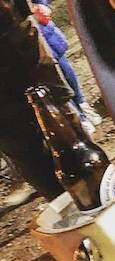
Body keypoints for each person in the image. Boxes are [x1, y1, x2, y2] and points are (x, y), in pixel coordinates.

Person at [0, 0, 72, 206]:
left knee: (64, 130)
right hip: (17, 36)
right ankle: (71, 210)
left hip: (18, 40)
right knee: (28, 153)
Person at [31, 1, 101, 135]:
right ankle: (78, 117)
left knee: (64, 68)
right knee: (51, 77)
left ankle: (82, 105)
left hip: (39, 25)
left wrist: (42, 4)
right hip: (23, 33)